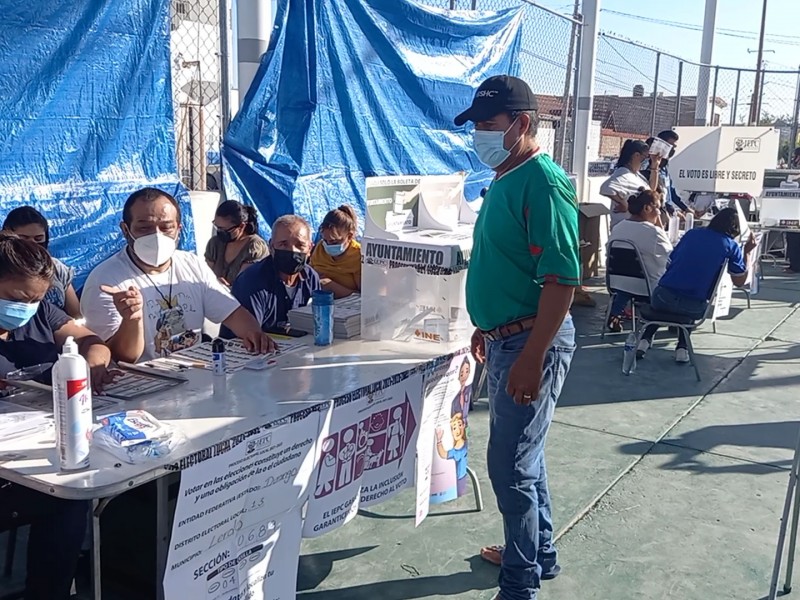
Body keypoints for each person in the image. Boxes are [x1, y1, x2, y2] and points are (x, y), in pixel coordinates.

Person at [455, 75, 579, 600]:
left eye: (488, 125)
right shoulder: (506, 178)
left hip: (532, 343)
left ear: (522, 124)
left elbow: (562, 279)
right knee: (524, 458)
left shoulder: (542, 183)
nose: (479, 135)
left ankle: (519, 582)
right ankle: (537, 553)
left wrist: (532, 355)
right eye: (476, 125)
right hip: (508, 338)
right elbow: (506, 263)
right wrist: (487, 323)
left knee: (510, 466)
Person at [0, 231, 113, 600]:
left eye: (34, 299)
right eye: (17, 298)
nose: (26, 307)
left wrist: (92, 363)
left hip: (39, 453)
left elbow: (90, 341)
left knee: (69, 499)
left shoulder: (42, 314)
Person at [81, 187, 276, 363]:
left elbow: (232, 312)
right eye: (144, 228)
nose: (156, 235)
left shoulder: (191, 265)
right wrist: (132, 320)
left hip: (195, 375)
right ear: (126, 230)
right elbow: (119, 357)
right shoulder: (106, 280)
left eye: (166, 228)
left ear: (179, 230)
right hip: (142, 386)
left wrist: (255, 335)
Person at [637, 208, 757, 363]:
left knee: (664, 308)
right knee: (685, 310)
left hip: (662, 298)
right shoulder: (730, 246)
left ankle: (645, 340)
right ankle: (682, 347)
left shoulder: (692, 234)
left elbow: (669, 264)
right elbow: (739, 281)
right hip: (692, 305)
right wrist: (747, 253)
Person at [223, 214, 320, 335]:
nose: (293, 251)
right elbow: (250, 336)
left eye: (300, 245)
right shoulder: (252, 282)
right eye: (283, 244)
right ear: (271, 246)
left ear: (310, 249)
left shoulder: (311, 278)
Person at [605, 189, 673, 332]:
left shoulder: (618, 228)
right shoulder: (654, 232)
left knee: (628, 282)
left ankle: (615, 313)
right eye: (659, 208)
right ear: (647, 208)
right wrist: (659, 225)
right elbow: (671, 258)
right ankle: (675, 322)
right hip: (647, 288)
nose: (660, 213)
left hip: (618, 284)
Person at [2, 206, 81, 318]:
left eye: (38, 239)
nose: (32, 244)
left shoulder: (56, 268)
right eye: (24, 238)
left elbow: (76, 315)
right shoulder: (3, 268)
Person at [204, 200, 268, 285]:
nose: (219, 232)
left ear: (241, 226)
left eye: (224, 229)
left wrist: (224, 287)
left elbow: (245, 284)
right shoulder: (215, 244)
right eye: (217, 227)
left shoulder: (254, 247)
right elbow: (206, 276)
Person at [309, 205, 361, 298]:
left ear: (349, 236)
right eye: (325, 240)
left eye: (334, 241)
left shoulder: (359, 255)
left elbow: (362, 296)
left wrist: (330, 286)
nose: (328, 245)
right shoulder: (320, 248)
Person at [600, 139, 651, 228]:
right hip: (624, 226)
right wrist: (624, 203)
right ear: (636, 155)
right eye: (645, 158)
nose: (646, 161)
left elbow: (651, 191)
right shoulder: (623, 173)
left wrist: (655, 167)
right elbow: (605, 188)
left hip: (636, 227)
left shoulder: (636, 175)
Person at [640, 130, 693, 217]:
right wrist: (671, 211)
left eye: (674, 147)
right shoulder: (647, 166)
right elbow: (651, 193)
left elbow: (670, 193)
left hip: (666, 211)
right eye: (670, 146)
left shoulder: (664, 167)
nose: (672, 150)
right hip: (654, 212)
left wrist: (686, 209)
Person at [450, 357, 473, 423]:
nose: (464, 376)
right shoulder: (454, 392)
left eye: (467, 371)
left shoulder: (467, 390)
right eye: (462, 372)